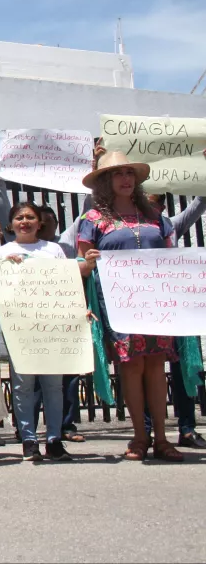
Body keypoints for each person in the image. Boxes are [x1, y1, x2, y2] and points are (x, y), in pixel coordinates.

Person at [77, 151, 183, 462]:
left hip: (156, 301)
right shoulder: (93, 220)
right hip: (119, 302)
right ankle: (139, 437)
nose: (125, 179)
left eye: (129, 173)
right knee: (131, 366)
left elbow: (171, 257)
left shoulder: (155, 216)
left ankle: (163, 438)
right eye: (118, 174)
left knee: (155, 365)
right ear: (105, 182)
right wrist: (90, 262)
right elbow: (81, 265)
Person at [0, 201, 97, 462]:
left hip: (53, 328)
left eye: (29, 217)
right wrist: (9, 268)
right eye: (19, 218)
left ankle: (54, 439)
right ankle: (28, 439)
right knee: (23, 385)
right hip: (21, 328)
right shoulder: (2, 252)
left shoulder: (54, 250)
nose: (24, 222)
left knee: (53, 386)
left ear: (40, 223)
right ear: (10, 224)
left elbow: (68, 283)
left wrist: (79, 310)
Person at [144, 190, 206, 449]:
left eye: (154, 203)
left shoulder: (171, 225)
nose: (149, 208)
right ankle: (146, 430)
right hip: (144, 305)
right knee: (146, 368)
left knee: (182, 368)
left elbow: (201, 201)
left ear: (162, 206)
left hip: (174, 304)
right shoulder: (125, 228)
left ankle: (187, 428)